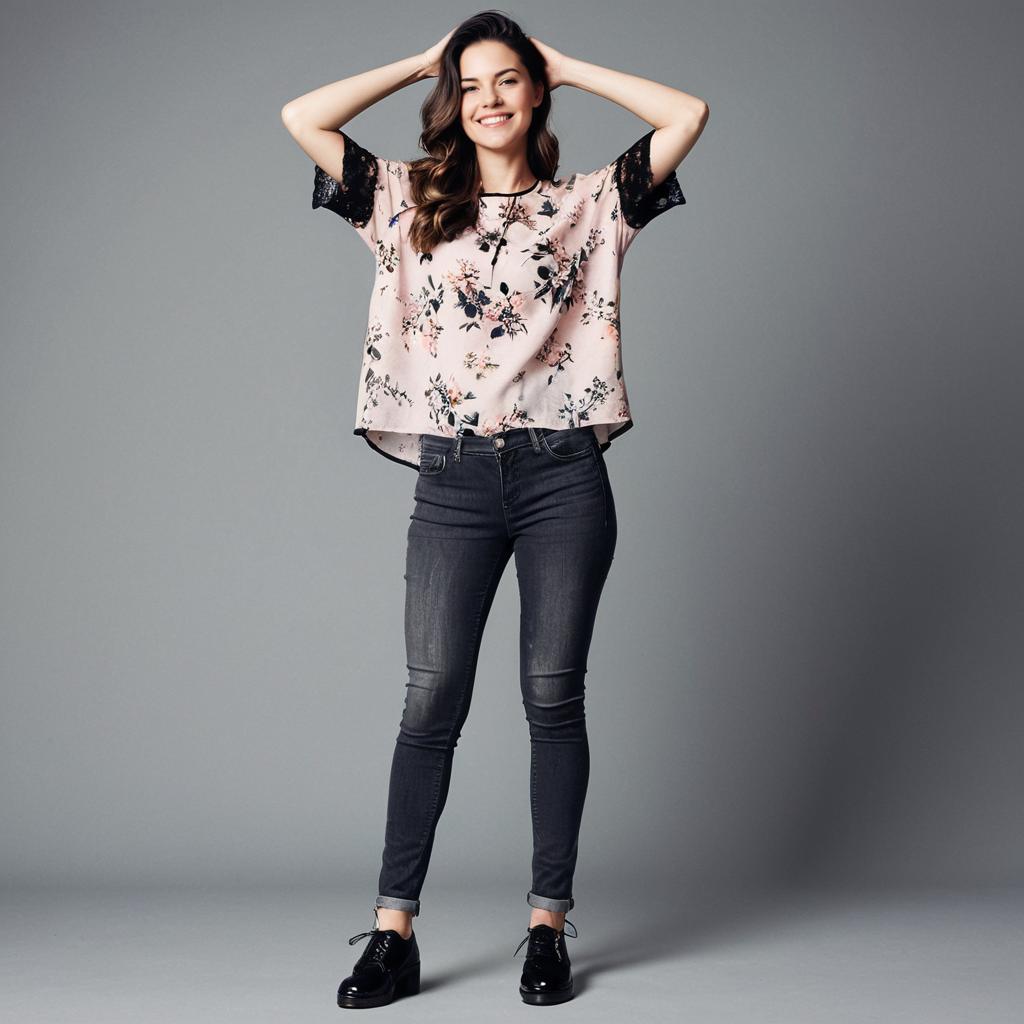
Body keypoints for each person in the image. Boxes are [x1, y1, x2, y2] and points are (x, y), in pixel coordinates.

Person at [281, 9, 708, 1008]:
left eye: (508, 80)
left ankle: (546, 927)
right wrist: (423, 61)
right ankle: (393, 935)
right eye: (468, 86)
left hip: (564, 475)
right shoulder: (405, 198)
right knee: (431, 699)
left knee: (552, 697)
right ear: (449, 100)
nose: (488, 99)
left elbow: (686, 112)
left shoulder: (591, 204)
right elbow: (302, 115)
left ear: (537, 92)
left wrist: (565, 62)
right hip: (455, 480)